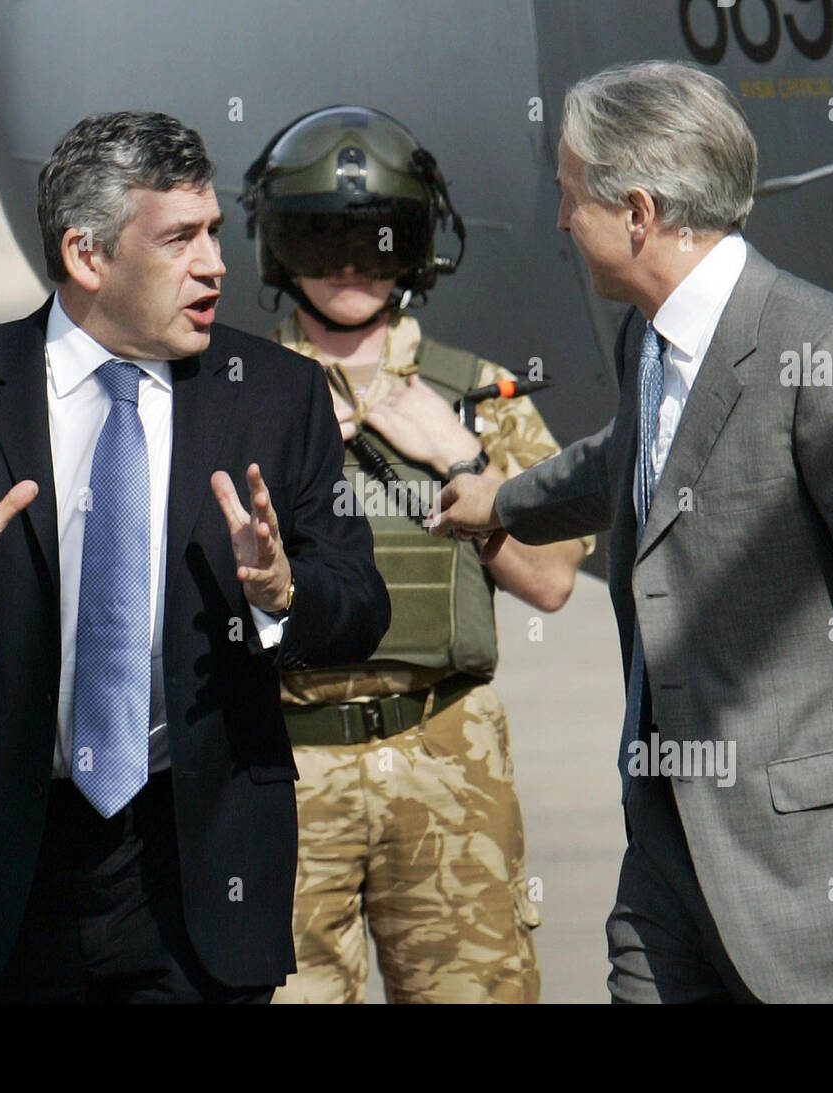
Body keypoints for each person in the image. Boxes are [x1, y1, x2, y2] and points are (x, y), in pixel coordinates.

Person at [431, 61, 833, 1003]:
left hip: (805, 878)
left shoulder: (827, 360)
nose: (557, 220)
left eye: (570, 195)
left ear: (638, 213)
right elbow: (625, 457)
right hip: (664, 853)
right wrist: (499, 503)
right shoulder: (650, 341)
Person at [0, 111, 390, 1004]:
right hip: (3, 877)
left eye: (215, 234)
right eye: (180, 239)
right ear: (88, 257)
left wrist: (282, 593)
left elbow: (360, 602)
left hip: (198, 869)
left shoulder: (278, 395)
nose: (215, 264)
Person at [241, 105, 591, 1003]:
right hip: (280, 760)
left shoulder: (477, 395)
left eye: (377, 240)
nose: (352, 265)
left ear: (420, 250)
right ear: (280, 251)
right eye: (322, 239)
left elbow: (553, 581)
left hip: (446, 751)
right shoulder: (230, 396)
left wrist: (464, 462)